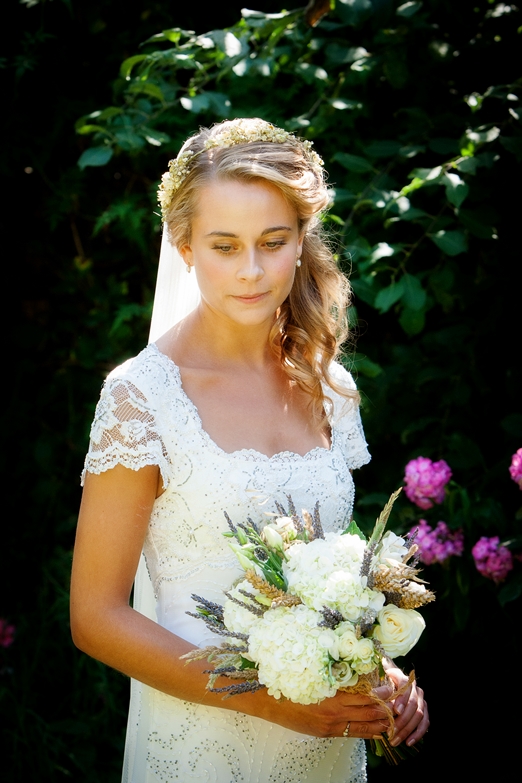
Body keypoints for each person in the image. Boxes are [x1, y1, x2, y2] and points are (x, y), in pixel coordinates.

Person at [70, 118, 429, 783]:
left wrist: (376, 668)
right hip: (204, 747)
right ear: (184, 247)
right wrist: (271, 703)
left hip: (326, 748)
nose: (253, 271)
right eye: (225, 246)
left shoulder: (327, 383)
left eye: (273, 241)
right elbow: (95, 617)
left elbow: (320, 569)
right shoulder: (141, 398)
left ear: (302, 240)